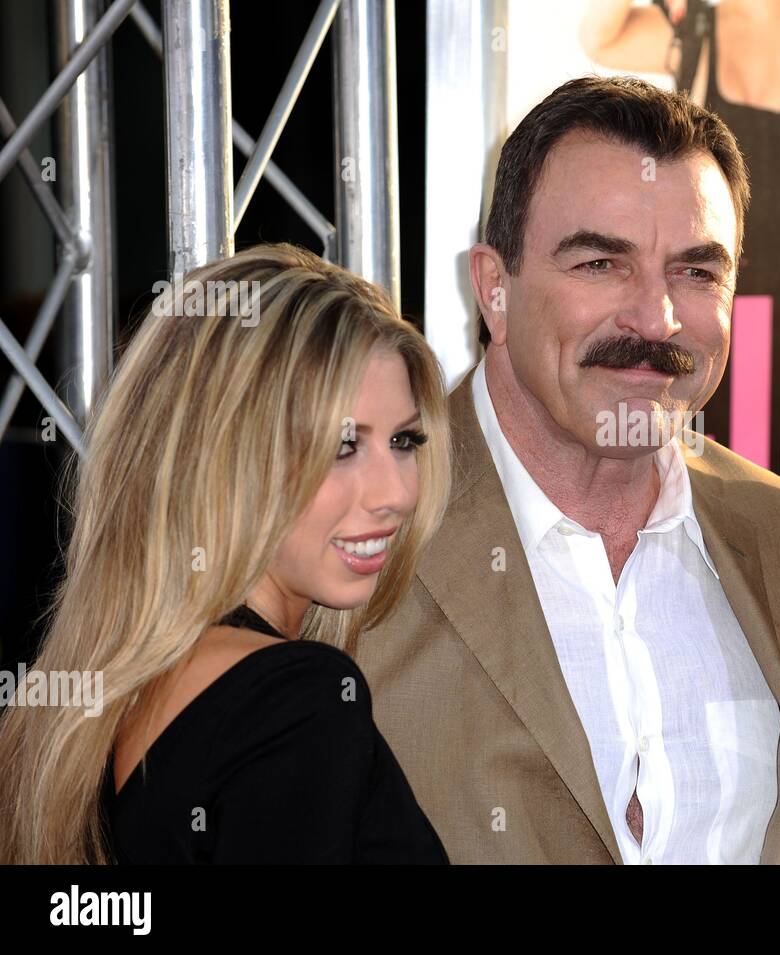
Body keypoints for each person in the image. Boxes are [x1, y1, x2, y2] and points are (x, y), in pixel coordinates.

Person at [358, 75, 780, 864]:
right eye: (601, 264)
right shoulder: (365, 517)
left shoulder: (778, 530)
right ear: (493, 290)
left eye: (696, 271)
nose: (657, 319)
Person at [0, 244, 452, 864]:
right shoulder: (297, 698)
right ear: (224, 459)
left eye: (404, 440)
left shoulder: (92, 713)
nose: (398, 493)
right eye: (342, 446)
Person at [579, 0, 780, 473]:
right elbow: (599, 37)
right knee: (685, 482)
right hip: (691, 305)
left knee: (756, 499)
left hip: (770, 321)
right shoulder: (696, 28)